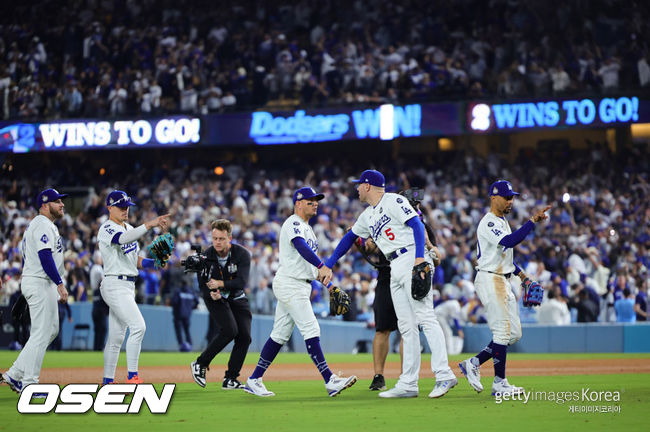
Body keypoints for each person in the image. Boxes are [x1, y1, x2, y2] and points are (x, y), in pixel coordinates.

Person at [325, 170, 456, 399]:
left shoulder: (394, 200)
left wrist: (418, 258)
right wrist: (328, 264)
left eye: (359, 185)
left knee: (425, 317)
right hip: (393, 265)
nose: (356, 188)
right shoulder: (367, 215)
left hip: (410, 258)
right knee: (406, 326)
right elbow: (348, 239)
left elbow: (417, 225)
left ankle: (444, 374)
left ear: (367, 186)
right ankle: (408, 383)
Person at [244, 187, 357, 398]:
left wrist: (330, 285)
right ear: (298, 203)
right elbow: (301, 247)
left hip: (299, 283)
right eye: (310, 200)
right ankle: (330, 380)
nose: (315, 203)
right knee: (311, 328)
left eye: (316, 200)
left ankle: (254, 379)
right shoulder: (293, 223)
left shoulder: (308, 228)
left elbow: (311, 267)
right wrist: (322, 264)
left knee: (280, 335)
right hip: (290, 284)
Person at [458, 180, 550, 396]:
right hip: (490, 279)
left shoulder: (502, 221)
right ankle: (499, 383)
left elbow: (504, 257)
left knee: (513, 334)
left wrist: (523, 276)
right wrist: (532, 221)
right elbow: (509, 242)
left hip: (502, 279)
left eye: (512, 197)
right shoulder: (489, 222)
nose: (510, 201)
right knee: (502, 332)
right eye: (506, 197)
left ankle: (473, 363)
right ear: (493, 197)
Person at [1, 188, 70, 396]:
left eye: (61, 201)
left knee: (50, 331)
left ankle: (15, 373)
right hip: (41, 282)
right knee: (41, 332)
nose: (62, 204)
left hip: (40, 282)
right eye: (57, 202)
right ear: (44, 205)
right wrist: (59, 282)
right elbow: (44, 256)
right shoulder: (41, 224)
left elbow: (32, 259)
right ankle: (30, 384)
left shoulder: (46, 225)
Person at [97, 190, 169, 385]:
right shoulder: (107, 228)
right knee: (138, 327)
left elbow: (135, 260)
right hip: (114, 284)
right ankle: (132, 377)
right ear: (109, 208)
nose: (125, 209)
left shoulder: (128, 227)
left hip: (127, 285)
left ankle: (108, 381)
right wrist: (150, 224)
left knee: (116, 337)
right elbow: (122, 239)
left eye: (127, 206)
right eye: (121, 206)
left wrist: (154, 264)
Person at [190, 219, 253, 390]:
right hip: (215, 298)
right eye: (215, 238)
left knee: (245, 337)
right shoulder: (205, 256)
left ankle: (231, 379)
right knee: (230, 330)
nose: (217, 242)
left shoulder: (242, 254)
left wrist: (220, 284)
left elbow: (241, 281)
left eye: (221, 239)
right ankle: (201, 363)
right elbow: (203, 284)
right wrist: (212, 293)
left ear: (229, 239)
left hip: (237, 296)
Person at [90, 252, 109, 351]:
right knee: (103, 328)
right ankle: (100, 347)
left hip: (95, 300)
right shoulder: (98, 268)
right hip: (100, 299)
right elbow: (102, 281)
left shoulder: (92, 268)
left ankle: (96, 347)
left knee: (97, 329)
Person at [171, 283, 199, 352]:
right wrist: (191, 308)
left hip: (178, 315)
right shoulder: (191, 292)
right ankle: (189, 345)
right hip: (187, 315)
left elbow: (174, 302)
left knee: (179, 331)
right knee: (187, 331)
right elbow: (197, 301)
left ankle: (181, 345)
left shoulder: (178, 291)